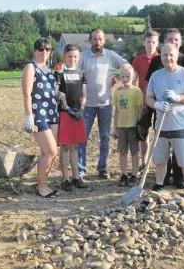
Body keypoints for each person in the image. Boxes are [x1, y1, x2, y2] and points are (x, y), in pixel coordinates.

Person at [145, 28, 184, 189]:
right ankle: (159, 185)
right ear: (160, 56)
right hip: (161, 125)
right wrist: (155, 104)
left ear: (176, 56)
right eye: (164, 55)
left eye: (171, 55)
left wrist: (178, 97)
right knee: (160, 159)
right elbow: (148, 97)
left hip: (180, 125)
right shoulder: (156, 75)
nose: (168, 58)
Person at [78, 28, 128, 179]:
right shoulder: (82, 57)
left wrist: (120, 78)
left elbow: (127, 66)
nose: (97, 42)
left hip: (105, 104)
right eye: (94, 39)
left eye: (100, 39)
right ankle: (81, 169)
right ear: (90, 40)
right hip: (86, 106)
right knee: (82, 138)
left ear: (104, 41)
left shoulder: (111, 56)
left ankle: (102, 168)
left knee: (105, 138)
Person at [21, 38, 60, 198]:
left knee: (49, 153)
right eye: (40, 49)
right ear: (35, 51)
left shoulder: (48, 70)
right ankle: (42, 188)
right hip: (39, 115)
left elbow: (52, 92)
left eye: (47, 49)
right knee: (50, 151)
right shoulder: (31, 67)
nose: (44, 52)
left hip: (52, 113)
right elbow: (26, 94)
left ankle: (43, 184)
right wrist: (29, 116)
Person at [54, 44, 88, 192]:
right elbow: (57, 92)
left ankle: (76, 177)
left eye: (75, 56)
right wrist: (66, 107)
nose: (72, 59)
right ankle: (65, 179)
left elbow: (84, 94)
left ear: (78, 57)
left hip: (77, 113)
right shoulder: (60, 73)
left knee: (75, 146)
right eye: (69, 56)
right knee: (65, 146)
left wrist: (81, 109)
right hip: (65, 114)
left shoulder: (81, 73)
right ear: (64, 57)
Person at [132, 30, 160, 172]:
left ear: (157, 43)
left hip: (158, 100)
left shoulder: (161, 58)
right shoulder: (137, 60)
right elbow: (133, 79)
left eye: (153, 42)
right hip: (144, 101)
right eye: (148, 42)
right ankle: (144, 163)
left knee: (159, 131)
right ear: (144, 42)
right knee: (144, 133)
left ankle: (156, 162)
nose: (150, 45)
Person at [112, 63, 144, 186]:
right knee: (122, 151)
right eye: (123, 77)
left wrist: (138, 126)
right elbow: (116, 111)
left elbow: (140, 110)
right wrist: (115, 128)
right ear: (120, 77)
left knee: (135, 151)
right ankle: (124, 174)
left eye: (128, 76)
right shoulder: (117, 92)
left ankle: (134, 174)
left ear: (133, 76)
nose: (125, 79)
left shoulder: (137, 92)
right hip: (121, 127)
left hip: (133, 127)